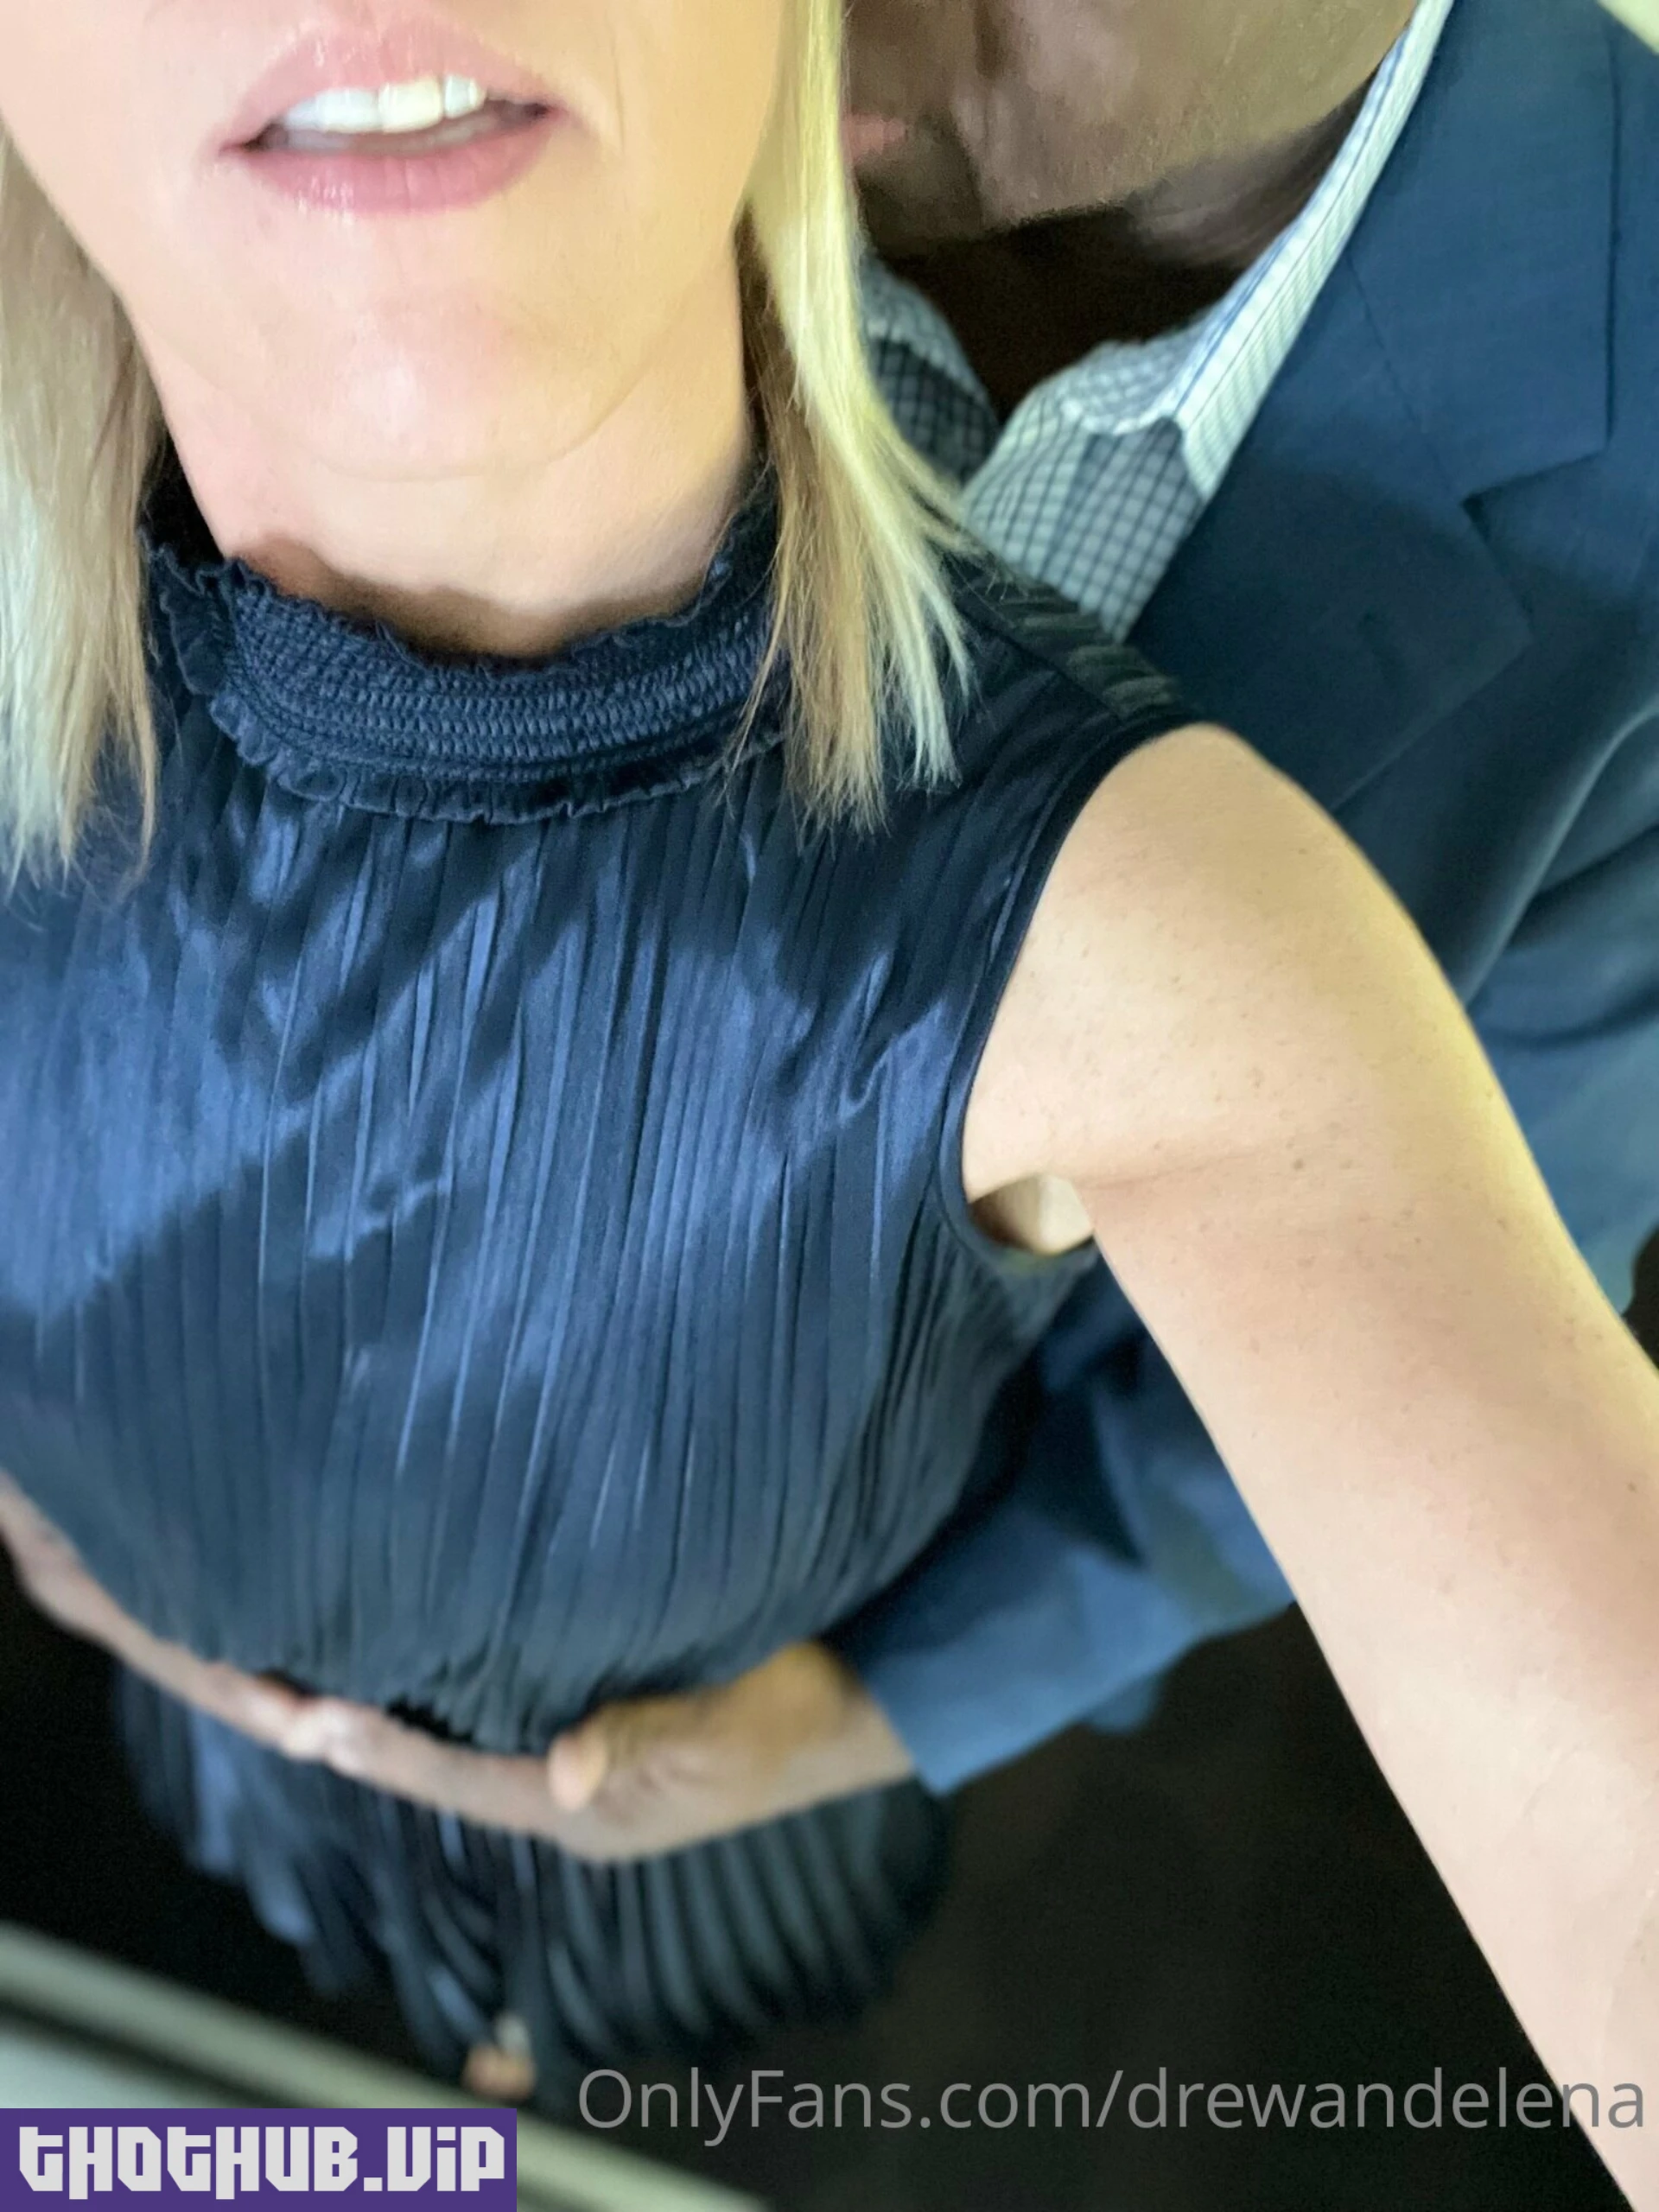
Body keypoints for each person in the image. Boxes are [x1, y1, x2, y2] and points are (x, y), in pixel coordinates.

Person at [2, 13, 1658, 2212]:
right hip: (219, 1617)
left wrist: (882, 1713)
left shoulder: (1185, 924)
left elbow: (1478, 1261)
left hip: (824, 1591)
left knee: (698, 1964)